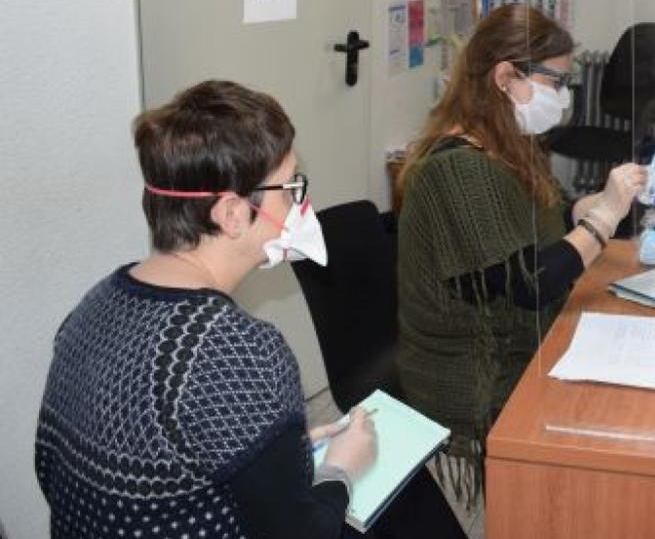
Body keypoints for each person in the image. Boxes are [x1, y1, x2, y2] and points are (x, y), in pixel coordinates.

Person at [35, 80, 465, 539]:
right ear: (232, 215)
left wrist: (283, 452)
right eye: (291, 187)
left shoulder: (92, 306)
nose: (302, 204)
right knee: (404, 498)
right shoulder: (237, 350)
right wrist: (341, 470)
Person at [396, 5, 646, 503]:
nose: (565, 96)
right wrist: (603, 221)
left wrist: (583, 210)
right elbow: (531, 282)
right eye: (557, 81)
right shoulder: (456, 170)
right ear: (505, 76)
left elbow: (532, 224)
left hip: (512, 336)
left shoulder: (505, 143)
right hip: (474, 371)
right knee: (609, 416)